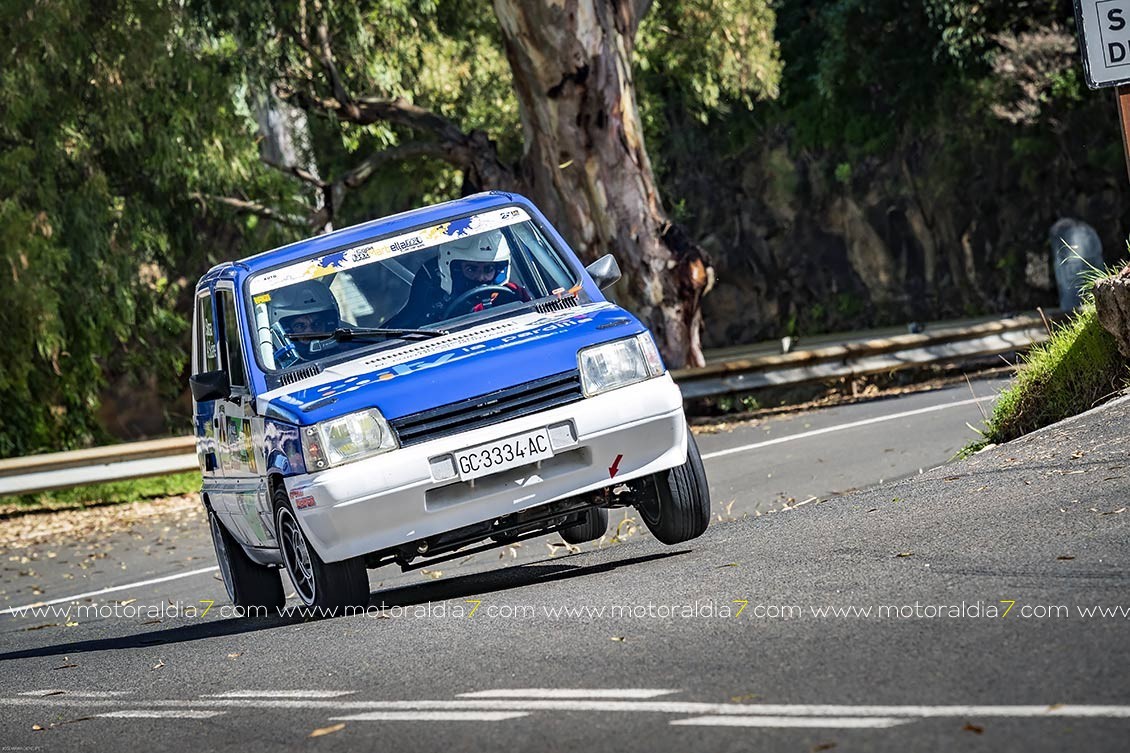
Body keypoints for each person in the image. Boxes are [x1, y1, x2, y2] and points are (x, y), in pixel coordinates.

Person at [387, 230, 531, 327]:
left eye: (488, 269)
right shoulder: (436, 305)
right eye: (471, 269)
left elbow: (539, 314)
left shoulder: (513, 294)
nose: (481, 278)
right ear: (455, 270)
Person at [265, 280, 344, 364]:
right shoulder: (270, 364)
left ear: (328, 325)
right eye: (300, 326)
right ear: (286, 330)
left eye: (317, 324)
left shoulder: (350, 350)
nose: (310, 332)